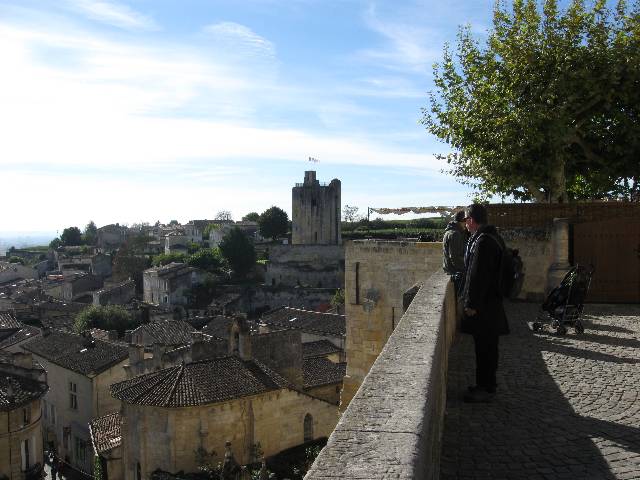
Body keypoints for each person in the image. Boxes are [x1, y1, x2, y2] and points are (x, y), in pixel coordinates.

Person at [460, 203, 509, 403]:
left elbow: (478, 276)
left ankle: (485, 388)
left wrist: (471, 304)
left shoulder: (483, 242)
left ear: (471, 220)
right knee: (488, 346)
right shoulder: (492, 237)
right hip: (491, 302)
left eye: (465, 220)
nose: (465, 224)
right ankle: (487, 384)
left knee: (485, 347)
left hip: (485, 306)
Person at [442, 210, 468, 293]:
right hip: (455, 274)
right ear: (463, 221)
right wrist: (467, 269)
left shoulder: (449, 231)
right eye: (466, 221)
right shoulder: (455, 234)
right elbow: (455, 258)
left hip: (450, 271)